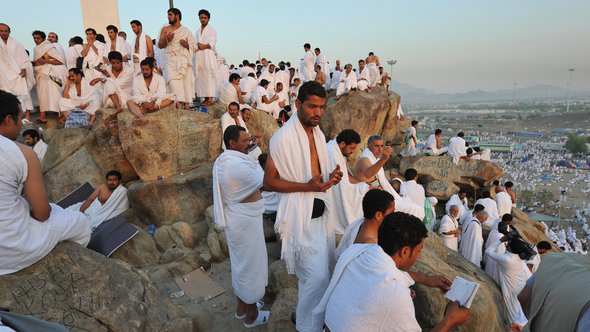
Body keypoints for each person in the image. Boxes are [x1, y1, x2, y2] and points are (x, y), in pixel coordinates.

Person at [263, 81, 343, 332]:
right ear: (298, 104)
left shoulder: (318, 134)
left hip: (321, 216)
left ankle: (308, 317)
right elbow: (269, 182)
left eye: (321, 107)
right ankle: (307, 326)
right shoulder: (283, 137)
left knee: (323, 273)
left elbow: (316, 175)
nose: (318, 112)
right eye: (312, 106)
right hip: (300, 220)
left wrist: (332, 178)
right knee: (316, 279)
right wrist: (307, 187)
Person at [314, 212, 470, 332]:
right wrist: (450, 320)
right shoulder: (396, 294)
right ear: (404, 251)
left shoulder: (362, 252)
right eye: (418, 250)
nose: (420, 255)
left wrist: (427, 280)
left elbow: (388, 270)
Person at [0, 90, 91, 275]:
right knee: (81, 222)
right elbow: (42, 214)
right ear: (8, 119)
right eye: (19, 119)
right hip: (10, 251)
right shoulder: (24, 153)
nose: (20, 127)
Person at [213, 125, 269, 328]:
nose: (249, 143)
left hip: (243, 220)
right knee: (251, 266)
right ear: (232, 143)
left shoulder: (228, 159)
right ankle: (251, 316)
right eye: (245, 141)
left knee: (240, 265)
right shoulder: (234, 166)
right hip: (244, 222)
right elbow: (266, 181)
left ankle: (241, 308)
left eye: (249, 139)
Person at [326, 129, 370, 234]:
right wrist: (364, 188)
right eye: (351, 148)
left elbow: (347, 177)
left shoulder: (337, 150)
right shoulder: (332, 153)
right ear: (342, 144)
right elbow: (341, 186)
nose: (353, 151)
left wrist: (362, 184)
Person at [485, 234, 529, 328]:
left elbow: (488, 251)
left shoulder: (508, 259)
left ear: (510, 248)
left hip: (512, 288)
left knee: (512, 312)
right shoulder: (518, 256)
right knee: (518, 310)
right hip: (520, 284)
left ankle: (514, 328)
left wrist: (500, 240)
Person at [158, 8, 197, 110]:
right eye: (168, 15)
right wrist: (167, 40)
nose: (168, 17)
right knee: (173, 82)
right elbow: (160, 45)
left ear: (177, 16)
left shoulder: (186, 31)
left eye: (170, 15)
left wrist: (187, 45)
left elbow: (194, 46)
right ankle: (178, 105)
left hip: (183, 60)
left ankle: (187, 105)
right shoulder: (165, 29)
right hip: (170, 61)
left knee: (185, 82)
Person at [32, 30, 67, 125]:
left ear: (43, 39)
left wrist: (46, 60)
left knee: (55, 95)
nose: (36, 40)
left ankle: (61, 114)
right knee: (42, 95)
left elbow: (60, 61)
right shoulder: (36, 48)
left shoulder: (50, 47)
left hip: (50, 74)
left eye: (38, 38)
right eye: (34, 38)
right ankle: (42, 117)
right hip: (40, 74)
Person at [0, 24, 35, 121]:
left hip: (17, 72)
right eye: (1, 31)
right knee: (6, 96)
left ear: (9, 32)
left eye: (5, 31)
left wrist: (25, 68)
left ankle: (27, 116)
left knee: (24, 93)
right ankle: (9, 117)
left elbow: (25, 58)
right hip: (3, 74)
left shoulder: (16, 44)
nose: (3, 33)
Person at [127, 59, 174, 125]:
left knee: (172, 98)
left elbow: (161, 92)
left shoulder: (159, 78)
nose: (144, 72)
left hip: (155, 102)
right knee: (130, 102)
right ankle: (142, 117)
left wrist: (153, 102)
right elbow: (135, 93)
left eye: (147, 69)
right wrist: (144, 102)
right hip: (142, 102)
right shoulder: (137, 79)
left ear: (152, 69)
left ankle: (145, 110)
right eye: (143, 70)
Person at [194, 9, 217, 106]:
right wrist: (198, 46)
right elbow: (196, 45)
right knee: (200, 77)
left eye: (205, 18)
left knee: (208, 76)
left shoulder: (212, 31)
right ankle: (205, 98)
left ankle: (210, 98)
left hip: (207, 56)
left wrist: (201, 45)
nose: (203, 20)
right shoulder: (197, 31)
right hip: (199, 56)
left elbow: (211, 44)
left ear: (208, 19)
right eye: (201, 18)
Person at [484, 216, 512, 283]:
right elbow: (501, 251)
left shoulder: (492, 232)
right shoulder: (502, 238)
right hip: (496, 259)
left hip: (490, 256)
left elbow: (487, 244)